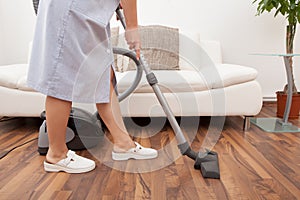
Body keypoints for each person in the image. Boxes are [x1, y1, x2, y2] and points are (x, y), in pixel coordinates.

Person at [27, 0, 158, 174]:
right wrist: (132, 28)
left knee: (104, 74)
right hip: (71, 10)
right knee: (62, 76)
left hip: (86, 11)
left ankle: (123, 143)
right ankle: (57, 154)